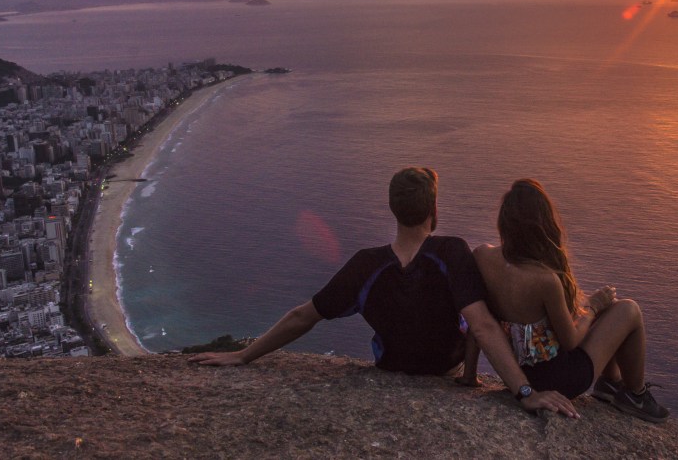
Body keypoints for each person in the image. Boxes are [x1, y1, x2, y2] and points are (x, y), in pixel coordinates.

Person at [189, 167, 577, 418]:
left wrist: (244, 355)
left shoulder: (365, 265)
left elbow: (303, 316)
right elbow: (484, 327)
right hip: (446, 371)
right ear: (434, 211)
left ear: (393, 209)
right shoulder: (451, 251)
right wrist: (525, 391)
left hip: (391, 370)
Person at [469, 178, 669, 423]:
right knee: (628, 310)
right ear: (543, 224)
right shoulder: (545, 280)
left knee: (600, 313)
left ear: (504, 221)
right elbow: (570, 341)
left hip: (521, 375)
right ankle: (636, 395)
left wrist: (469, 373)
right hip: (561, 379)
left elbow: (478, 323)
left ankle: (612, 385)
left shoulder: (481, 256)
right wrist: (593, 306)